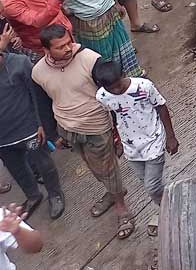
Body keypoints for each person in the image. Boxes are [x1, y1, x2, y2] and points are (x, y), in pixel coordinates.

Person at [32, 24, 133, 239]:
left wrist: (119, 129)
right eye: (60, 47)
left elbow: (112, 92)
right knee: (92, 165)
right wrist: (53, 135)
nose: (68, 48)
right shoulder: (38, 72)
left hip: (96, 125)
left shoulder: (90, 59)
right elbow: (42, 104)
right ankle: (112, 192)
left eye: (69, 42)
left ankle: (121, 208)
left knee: (108, 167)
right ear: (46, 50)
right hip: (67, 128)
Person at [93, 60, 178, 238]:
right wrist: (117, 140)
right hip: (130, 146)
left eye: (118, 86)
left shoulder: (144, 86)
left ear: (123, 75)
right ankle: (168, 206)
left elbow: (161, 107)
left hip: (153, 140)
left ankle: (170, 212)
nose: (116, 91)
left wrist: (171, 136)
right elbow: (113, 115)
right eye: (111, 89)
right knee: (147, 181)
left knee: (152, 186)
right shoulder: (102, 96)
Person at [0, 18, 64, 220]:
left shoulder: (19, 64)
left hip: (30, 129)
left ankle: (55, 194)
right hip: (3, 139)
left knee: (44, 164)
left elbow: (38, 98)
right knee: (17, 169)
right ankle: (33, 195)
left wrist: (41, 124)